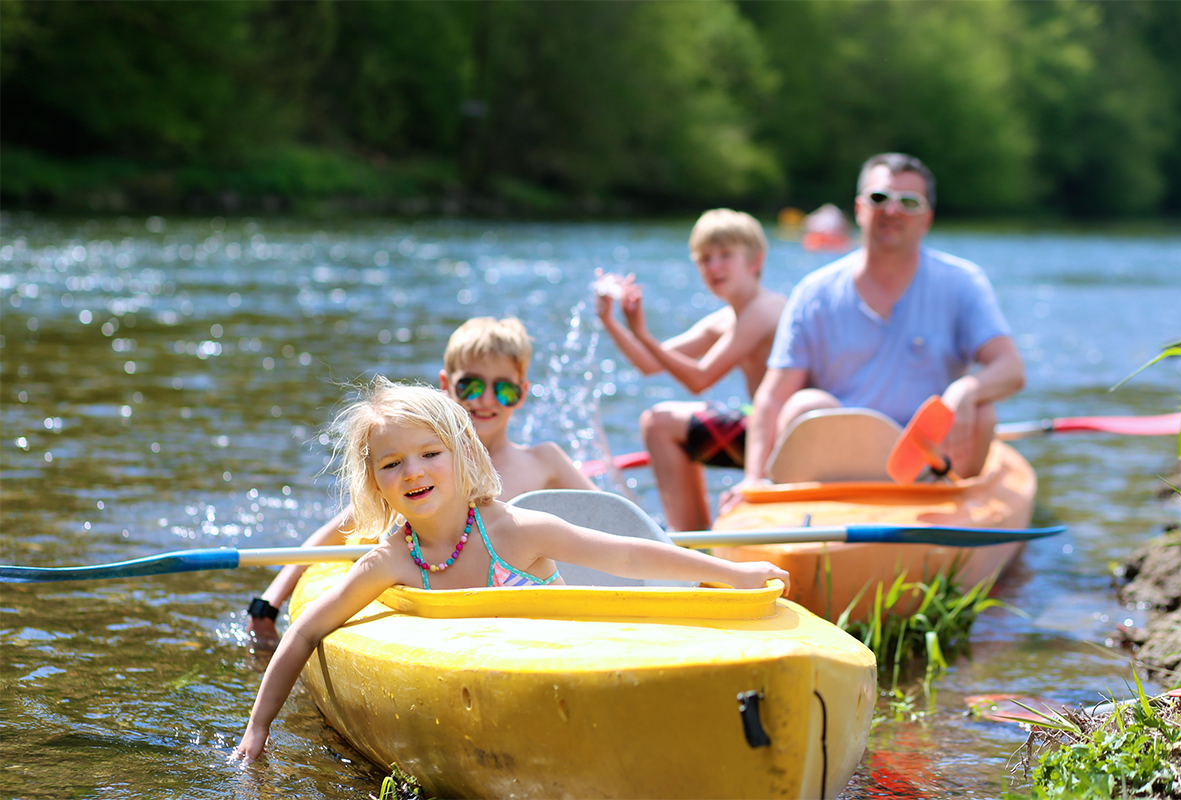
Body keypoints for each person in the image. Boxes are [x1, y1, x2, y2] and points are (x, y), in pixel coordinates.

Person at [232, 381, 789, 761]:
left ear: (462, 454)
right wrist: (259, 727)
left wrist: (729, 574)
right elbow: (306, 630)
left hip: (575, 673)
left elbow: (628, 554)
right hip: (494, 702)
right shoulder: (394, 560)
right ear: (375, 482)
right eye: (392, 463)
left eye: (430, 453)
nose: (414, 471)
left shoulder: (513, 531)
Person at [245, 317, 597, 645]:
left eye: (504, 390)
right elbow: (338, 531)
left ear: (522, 393)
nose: (486, 399)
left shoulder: (544, 461)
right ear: (446, 385)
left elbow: (614, 519)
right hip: (436, 607)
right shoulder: (412, 473)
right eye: (471, 385)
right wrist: (270, 602)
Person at [723, 153, 1025, 511]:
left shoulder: (962, 283)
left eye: (909, 202)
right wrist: (753, 478)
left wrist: (966, 389)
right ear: (859, 209)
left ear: (926, 219)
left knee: (983, 410)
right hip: (834, 470)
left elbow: (1011, 369)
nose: (892, 211)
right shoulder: (814, 292)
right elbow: (773, 398)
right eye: (880, 198)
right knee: (805, 404)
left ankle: (951, 516)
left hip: (927, 466)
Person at [594, 209, 786, 532]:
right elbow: (649, 363)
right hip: (761, 429)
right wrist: (610, 321)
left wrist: (642, 333)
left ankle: (691, 544)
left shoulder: (765, 308)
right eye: (704, 259)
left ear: (755, 261)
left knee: (660, 423)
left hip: (785, 433)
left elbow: (699, 379)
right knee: (658, 423)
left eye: (725, 255)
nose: (713, 267)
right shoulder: (726, 318)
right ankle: (693, 545)